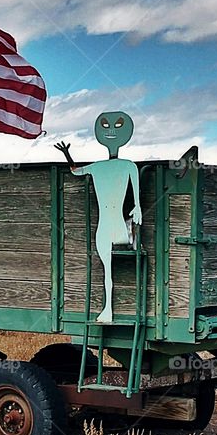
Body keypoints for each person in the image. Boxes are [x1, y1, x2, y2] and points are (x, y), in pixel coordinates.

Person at [55, 111, 141, 323]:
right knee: (107, 271)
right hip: (112, 225)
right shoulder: (120, 166)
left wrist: (138, 207)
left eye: (118, 125)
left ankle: (109, 309)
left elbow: (75, 171)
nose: (111, 129)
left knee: (108, 271)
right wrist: (67, 155)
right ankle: (108, 309)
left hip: (111, 225)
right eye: (106, 125)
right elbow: (75, 170)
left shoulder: (122, 166)